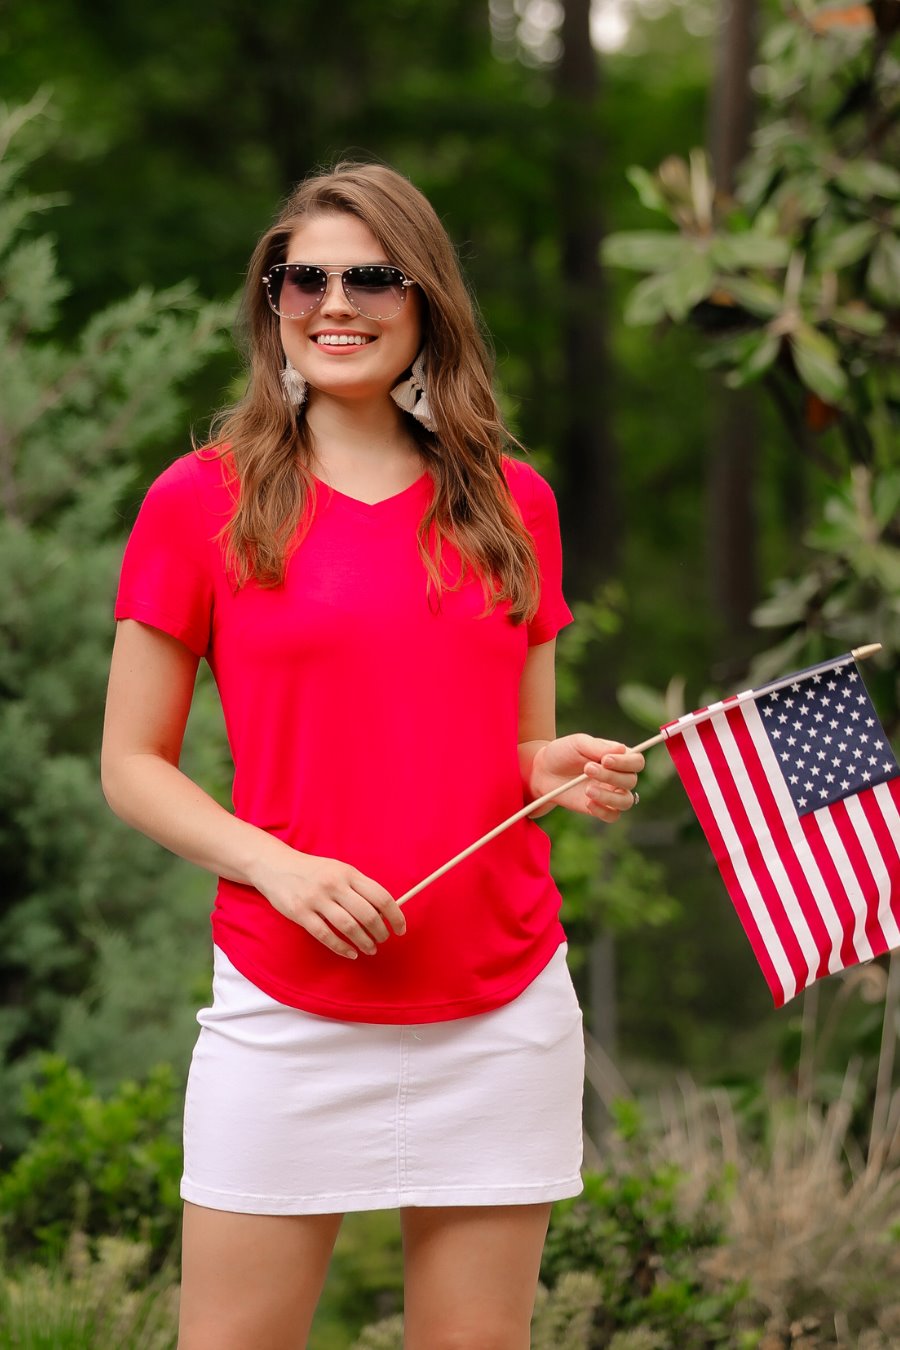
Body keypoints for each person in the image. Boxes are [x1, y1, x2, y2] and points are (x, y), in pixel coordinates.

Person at [101, 161, 644, 1350]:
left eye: (371, 276)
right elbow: (131, 763)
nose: (334, 302)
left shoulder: (515, 504)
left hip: (499, 1006)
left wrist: (549, 769)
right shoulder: (202, 499)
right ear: (273, 300)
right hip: (287, 1000)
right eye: (304, 277)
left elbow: (511, 750)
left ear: (424, 299)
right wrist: (275, 867)